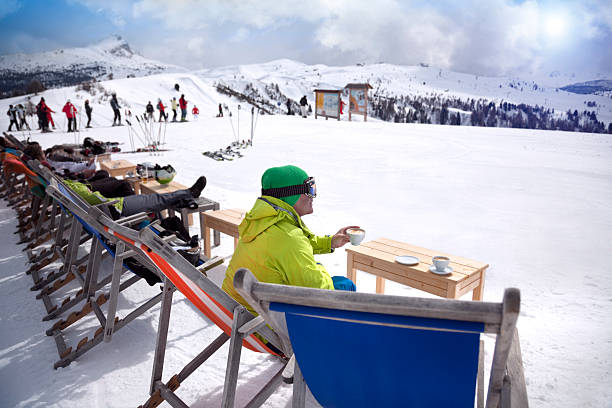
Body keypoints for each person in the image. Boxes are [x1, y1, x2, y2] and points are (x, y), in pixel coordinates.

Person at [222, 165, 358, 315]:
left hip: (237, 312)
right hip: (265, 324)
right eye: (310, 189)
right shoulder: (289, 238)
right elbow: (321, 291)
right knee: (345, 285)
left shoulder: (259, 223)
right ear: (291, 195)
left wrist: (330, 242)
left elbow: (287, 247)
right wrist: (317, 265)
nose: (313, 196)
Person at [65, 175, 207, 219]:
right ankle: (189, 194)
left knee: (154, 201)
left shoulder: (65, 187)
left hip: (111, 208)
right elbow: (96, 199)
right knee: (155, 200)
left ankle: (181, 201)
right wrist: (90, 191)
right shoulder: (70, 188)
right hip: (115, 208)